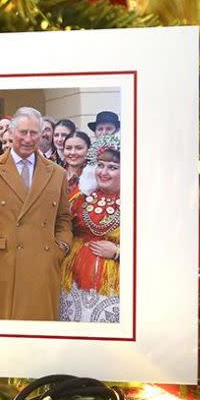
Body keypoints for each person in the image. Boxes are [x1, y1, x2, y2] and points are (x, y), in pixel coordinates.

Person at [0, 107, 73, 320]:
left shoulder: (58, 173)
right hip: (3, 265)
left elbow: (64, 218)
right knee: (4, 336)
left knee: (39, 337)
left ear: (42, 134)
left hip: (43, 263)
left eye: (34, 133)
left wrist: (60, 247)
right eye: (23, 132)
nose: (28, 138)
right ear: (10, 133)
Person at [60, 135, 121, 323]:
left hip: (113, 285)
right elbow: (62, 226)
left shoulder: (138, 202)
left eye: (112, 168)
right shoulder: (80, 196)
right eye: (100, 165)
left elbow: (153, 245)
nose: (103, 172)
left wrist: (118, 252)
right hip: (73, 281)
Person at [62, 131, 91, 201]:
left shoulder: (93, 176)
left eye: (79, 148)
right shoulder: (58, 172)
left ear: (88, 150)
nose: (73, 152)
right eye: (68, 148)